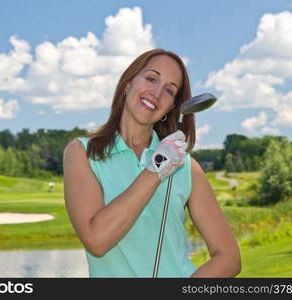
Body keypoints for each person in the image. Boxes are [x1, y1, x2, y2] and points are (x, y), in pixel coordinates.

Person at [63, 49, 241, 278]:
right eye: (151, 79)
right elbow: (97, 241)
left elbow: (229, 257)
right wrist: (156, 169)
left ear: (172, 107)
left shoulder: (186, 167)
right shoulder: (82, 153)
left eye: (169, 90)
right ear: (127, 83)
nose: (156, 93)